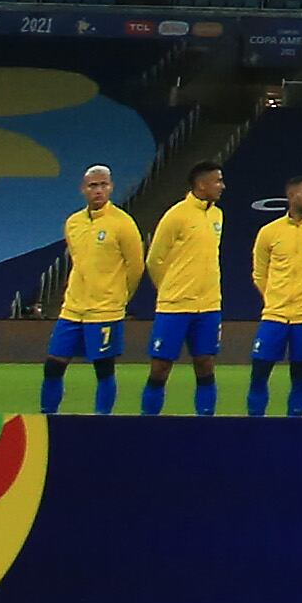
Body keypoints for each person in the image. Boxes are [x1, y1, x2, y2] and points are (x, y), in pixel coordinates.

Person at [42, 163, 143, 416]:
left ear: (111, 187)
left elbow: (136, 267)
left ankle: (102, 420)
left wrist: (119, 298)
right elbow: (78, 260)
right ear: (83, 189)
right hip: (73, 308)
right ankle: (47, 416)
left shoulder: (123, 223)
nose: (98, 190)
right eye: (92, 186)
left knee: (103, 368)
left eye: (103, 185)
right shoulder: (73, 222)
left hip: (105, 310)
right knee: (53, 365)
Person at [137, 162, 227, 415]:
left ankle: (205, 420)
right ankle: (148, 422)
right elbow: (154, 259)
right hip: (175, 307)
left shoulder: (217, 215)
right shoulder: (176, 215)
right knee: (161, 367)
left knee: (206, 364)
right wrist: (169, 290)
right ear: (201, 184)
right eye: (217, 181)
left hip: (209, 306)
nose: (222, 186)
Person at [247, 176, 302, 418]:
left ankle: (294, 424)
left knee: (300, 376)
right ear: (291, 196)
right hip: (274, 316)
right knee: (259, 373)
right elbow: (259, 273)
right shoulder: (269, 232)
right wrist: (276, 298)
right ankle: (254, 423)